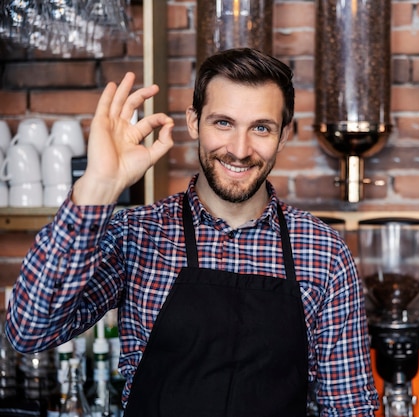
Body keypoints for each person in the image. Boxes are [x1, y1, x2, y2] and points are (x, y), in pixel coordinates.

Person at [5, 48, 378, 416]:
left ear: (283, 135)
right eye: (223, 123)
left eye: (261, 128)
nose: (239, 149)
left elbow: (349, 407)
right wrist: (97, 186)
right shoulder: (137, 235)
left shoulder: (322, 250)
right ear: (193, 122)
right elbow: (30, 331)